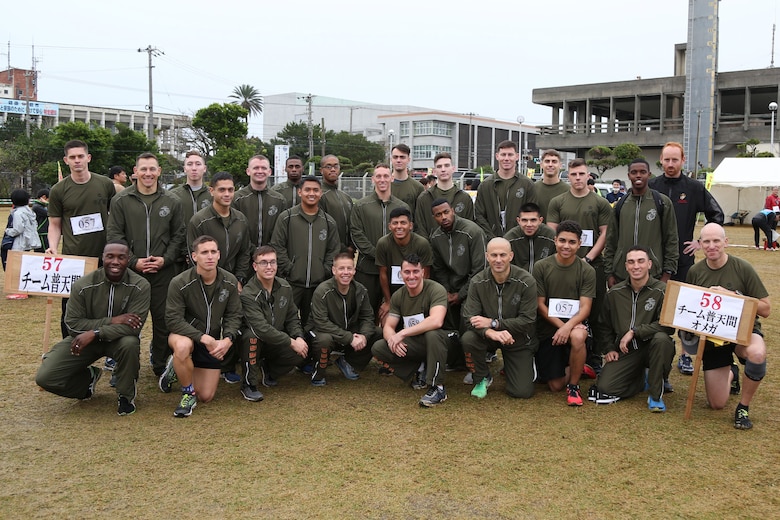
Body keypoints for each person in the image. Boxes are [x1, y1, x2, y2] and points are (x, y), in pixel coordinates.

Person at [35, 241, 150, 416]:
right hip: (85, 340)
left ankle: (126, 396)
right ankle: (87, 381)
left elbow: (133, 328)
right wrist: (113, 321)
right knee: (45, 378)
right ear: (102, 258)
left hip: (117, 340)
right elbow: (73, 323)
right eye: (110, 256)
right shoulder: (83, 285)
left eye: (121, 257)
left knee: (130, 343)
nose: (115, 262)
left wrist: (96, 332)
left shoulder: (140, 285)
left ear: (129, 259)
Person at [648, 142, 724, 376]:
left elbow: (716, 214)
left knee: (684, 309)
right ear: (660, 160)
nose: (670, 165)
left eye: (675, 160)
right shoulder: (652, 185)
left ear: (683, 160)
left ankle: (684, 356)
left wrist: (700, 242)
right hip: (653, 259)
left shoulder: (693, 187)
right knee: (653, 307)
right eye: (666, 160)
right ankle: (650, 354)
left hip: (682, 259)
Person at [107, 152, 185, 378]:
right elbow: (115, 235)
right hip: (131, 274)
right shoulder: (121, 200)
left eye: (152, 169)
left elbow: (178, 235)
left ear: (159, 171)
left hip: (164, 272)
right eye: (144, 169)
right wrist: (133, 262)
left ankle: (160, 362)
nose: (148, 174)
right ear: (135, 171)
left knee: (163, 320)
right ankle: (123, 366)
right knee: (128, 321)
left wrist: (165, 259)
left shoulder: (172, 201)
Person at [685, 223, 771, 429]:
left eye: (716, 241)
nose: (712, 245)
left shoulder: (743, 268)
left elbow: (766, 309)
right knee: (716, 404)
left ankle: (743, 407)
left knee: (757, 354)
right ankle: (731, 371)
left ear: (726, 242)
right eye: (706, 241)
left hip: (743, 332)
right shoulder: (695, 272)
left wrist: (734, 296)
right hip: (713, 338)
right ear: (700, 244)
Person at [161, 235, 242, 417]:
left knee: (206, 396)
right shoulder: (179, 282)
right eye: (204, 252)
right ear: (194, 256)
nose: (210, 256)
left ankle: (176, 368)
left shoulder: (229, 281)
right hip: (186, 336)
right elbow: (173, 320)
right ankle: (187, 393)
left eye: (213, 252)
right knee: (182, 347)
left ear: (219, 255)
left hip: (212, 342)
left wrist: (228, 339)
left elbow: (234, 315)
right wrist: (203, 337)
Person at [547, 158, 613, 376]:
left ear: (588, 176)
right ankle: (565, 353)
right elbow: (552, 231)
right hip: (564, 264)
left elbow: (605, 233)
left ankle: (595, 357)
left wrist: (589, 258)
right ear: (568, 176)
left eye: (581, 174)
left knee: (595, 311)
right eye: (573, 174)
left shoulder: (600, 203)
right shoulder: (558, 202)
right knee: (563, 306)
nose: (577, 178)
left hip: (592, 264)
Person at [590, 246, 674, 411]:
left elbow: (667, 326)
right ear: (626, 266)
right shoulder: (614, 293)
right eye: (631, 262)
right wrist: (608, 349)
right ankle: (639, 379)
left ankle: (656, 395)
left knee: (662, 340)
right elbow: (604, 325)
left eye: (641, 261)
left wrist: (635, 331)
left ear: (649, 264)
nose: (636, 266)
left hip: (653, 348)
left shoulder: (662, 290)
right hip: (627, 351)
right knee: (606, 387)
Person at [187, 171, 252, 383]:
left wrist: (239, 279)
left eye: (231, 190)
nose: (227, 194)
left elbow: (245, 251)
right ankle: (197, 361)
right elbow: (192, 253)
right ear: (211, 190)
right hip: (206, 281)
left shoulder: (241, 219)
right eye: (222, 189)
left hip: (233, 281)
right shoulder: (199, 220)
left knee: (233, 321)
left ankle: (228, 365)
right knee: (207, 323)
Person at [46, 140, 116, 337]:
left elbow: (115, 215)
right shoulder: (59, 190)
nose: (77, 161)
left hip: (105, 256)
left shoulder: (105, 184)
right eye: (73, 157)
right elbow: (54, 224)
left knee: (105, 304)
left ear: (88, 158)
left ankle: (107, 348)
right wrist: (52, 246)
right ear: (66, 160)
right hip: (73, 258)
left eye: (80, 156)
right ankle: (69, 348)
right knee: (71, 306)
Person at [461, 238, 538, 399]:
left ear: (511, 255)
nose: (498, 260)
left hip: (518, 338)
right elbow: (469, 318)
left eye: (503, 255)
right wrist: (492, 332)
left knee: (521, 392)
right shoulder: (477, 281)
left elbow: (528, 320)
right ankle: (482, 377)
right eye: (493, 255)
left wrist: (494, 323)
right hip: (489, 336)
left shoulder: (526, 281)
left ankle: (521, 365)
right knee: (469, 338)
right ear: (487, 256)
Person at [371, 254, 450, 407]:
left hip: (445, 342)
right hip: (418, 343)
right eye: (407, 272)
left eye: (415, 271)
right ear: (401, 274)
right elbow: (388, 326)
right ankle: (420, 369)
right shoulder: (399, 295)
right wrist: (392, 339)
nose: (411, 276)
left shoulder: (436, 289)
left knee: (432, 334)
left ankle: (437, 388)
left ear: (423, 272)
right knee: (379, 347)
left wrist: (402, 333)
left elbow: (436, 320)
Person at [533, 220, 596, 406]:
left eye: (571, 242)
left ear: (579, 243)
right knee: (555, 385)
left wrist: (567, 327)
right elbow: (540, 305)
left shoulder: (587, 270)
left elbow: (585, 307)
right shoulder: (541, 267)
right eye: (562, 240)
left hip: (575, 324)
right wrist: (561, 328)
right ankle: (578, 365)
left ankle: (574, 387)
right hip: (549, 328)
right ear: (555, 240)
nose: (566, 246)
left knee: (577, 336)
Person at [270, 175, 341, 326]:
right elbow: (277, 245)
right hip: (291, 283)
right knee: (284, 322)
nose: (311, 193)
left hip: (318, 285)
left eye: (316, 190)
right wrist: (289, 269)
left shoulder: (328, 222)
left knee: (313, 325)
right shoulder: (287, 217)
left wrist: (324, 270)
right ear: (300, 192)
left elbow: (334, 250)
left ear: (321, 193)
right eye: (307, 189)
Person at [239, 246, 308, 398]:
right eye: (263, 262)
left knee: (302, 349)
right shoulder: (248, 293)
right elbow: (261, 328)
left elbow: (292, 317)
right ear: (255, 266)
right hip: (254, 341)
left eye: (272, 262)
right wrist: (290, 341)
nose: (269, 267)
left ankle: (269, 369)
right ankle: (248, 384)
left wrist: (298, 337)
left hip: (276, 339)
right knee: (251, 336)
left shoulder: (285, 286)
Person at [306, 252, 382, 386]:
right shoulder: (322, 291)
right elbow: (321, 322)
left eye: (349, 268)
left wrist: (363, 336)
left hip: (348, 332)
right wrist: (350, 338)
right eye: (341, 268)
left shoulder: (360, 290)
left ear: (354, 270)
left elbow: (367, 317)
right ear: (334, 270)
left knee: (377, 333)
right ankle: (318, 373)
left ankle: (348, 362)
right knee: (324, 339)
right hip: (324, 332)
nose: (345, 272)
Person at [428, 199, 486, 370]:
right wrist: (446, 292)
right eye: (438, 215)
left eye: (446, 212)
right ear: (434, 217)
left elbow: (479, 269)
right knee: (442, 316)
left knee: (466, 318)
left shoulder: (473, 231)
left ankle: (474, 362)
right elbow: (439, 269)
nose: (443, 217)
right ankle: (455, 359)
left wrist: (460, 295)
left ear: (453, 210)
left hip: (473, 289)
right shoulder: (436, 237)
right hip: (451, 289)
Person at [604, 158, 679, 287]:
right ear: (628, 176)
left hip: (654, 275)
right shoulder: (620, 205)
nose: (638, 175)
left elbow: (671, 239)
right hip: (622, 275)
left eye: (642, 172)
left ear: (649, 175)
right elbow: (611, 241)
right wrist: (609, 273)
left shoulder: (662, 202)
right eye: (634, 172)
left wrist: (667, 273)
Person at [349, 164, 409, 316]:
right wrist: (378, 255)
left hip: (395, 269)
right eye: (379, 176)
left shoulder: (402, 207)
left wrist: (392, 257)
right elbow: (356, 233)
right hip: (368, 269)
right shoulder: (361, 206)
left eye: (386, 176)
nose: (382, 180)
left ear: (392, 178)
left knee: (396, 312)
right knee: (365, 311)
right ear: (373, 179)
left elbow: (407, 233)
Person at [375, 207, 433, 324]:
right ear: (389, 226)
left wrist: (416, 301)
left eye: (403, 223)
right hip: (392, 294)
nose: (399, 227)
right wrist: (388, 301)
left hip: (417, 293)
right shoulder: (383, 243)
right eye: (395, 223)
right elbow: (383, 274)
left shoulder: (422, 244)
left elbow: (425, 275)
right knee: (386, 321)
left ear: (410, 225)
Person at [475, 140, 536, 239]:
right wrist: (492, 238)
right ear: (497, 156)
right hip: (491, 243)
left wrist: (514, 236)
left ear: (517, 156)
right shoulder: (485, 185)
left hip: (519, 241)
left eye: (510, 155)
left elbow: (532, 214)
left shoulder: (527, 184)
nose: (506, 158)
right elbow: (479, 216)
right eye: (503, 155)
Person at [232, 155, 288, 250]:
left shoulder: (279, 200)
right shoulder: (237, 198)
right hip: (243, 255)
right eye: (256, 168)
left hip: (270, 257)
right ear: (248, 171)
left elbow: (282, 232)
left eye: (263, 168)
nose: (260, 171)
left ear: (269, 172)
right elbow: (234, 231)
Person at [414, 152, 474, 238]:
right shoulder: (424, 198)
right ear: (434, 171)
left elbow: (470, 228)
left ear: (453, 168)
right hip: (431, 249)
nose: (443, 169)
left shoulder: (464, 198)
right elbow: (420, 228)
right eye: (439, 166)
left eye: (446, 165)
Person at [170, 150, 212, 270]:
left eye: (198, 164)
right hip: (178, 258)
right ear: (184, 169)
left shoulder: (212, 195)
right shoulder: (173, 196)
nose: (194, 168)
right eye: (190, 164)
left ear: (204, 168)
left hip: (207, 256)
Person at [503, 202, 556, 274]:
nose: (529, 224)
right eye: (524, 220)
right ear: (518, 221)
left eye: (533, 220)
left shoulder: (550, 236)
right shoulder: (509, 239)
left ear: (540, 220)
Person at [319, 154, 354, 255]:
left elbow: (353, 224)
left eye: (336, 166)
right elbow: (323, 227)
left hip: (348, 252)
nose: (333, 169)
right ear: (321, 170)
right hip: (328, 252)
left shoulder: (346, 197)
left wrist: (352, 246)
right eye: (328, 166)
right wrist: (343, 248)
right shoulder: (320, 195)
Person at [533, 149, 570, 221]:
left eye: (554, 161)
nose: (550, 165)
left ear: (560, 165)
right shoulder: (532, 189)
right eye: (547, 161)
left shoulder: (568, 190)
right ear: (541, 165)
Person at [390, 144, 424, 216]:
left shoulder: (418, 188)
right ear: (391, 159)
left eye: (402, 157)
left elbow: (420, 216)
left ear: (408, 160)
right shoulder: (383, 185)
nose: (398, 160)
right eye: (395, 157)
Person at [5, 189, 41, 253]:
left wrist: (8, 231)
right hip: (27, 242)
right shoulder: (29, 212)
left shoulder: (18, 213)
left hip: (19, 244)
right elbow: (35, 225)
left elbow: (18, 229)